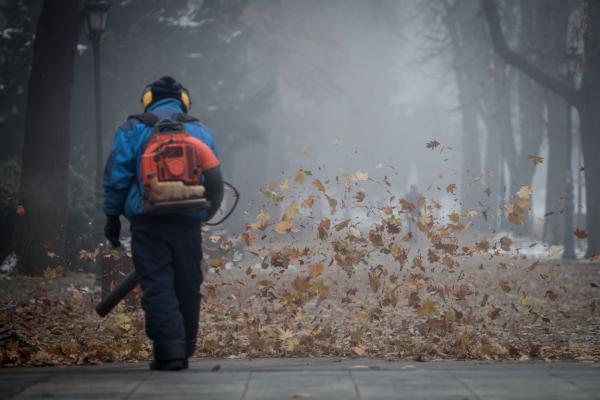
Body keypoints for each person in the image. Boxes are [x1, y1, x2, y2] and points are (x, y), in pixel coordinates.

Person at [103, 76, 223, 371]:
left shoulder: (132, 129)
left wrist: (112, 217)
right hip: (187, 221)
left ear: (148, 99)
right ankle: (186, 346)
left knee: (157, 285)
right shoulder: (199, 130)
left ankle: (170, 353)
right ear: (184, 99)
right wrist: (205, 214)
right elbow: (214, 178)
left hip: (148, 221)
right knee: (187, 283)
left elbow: (116, 178)